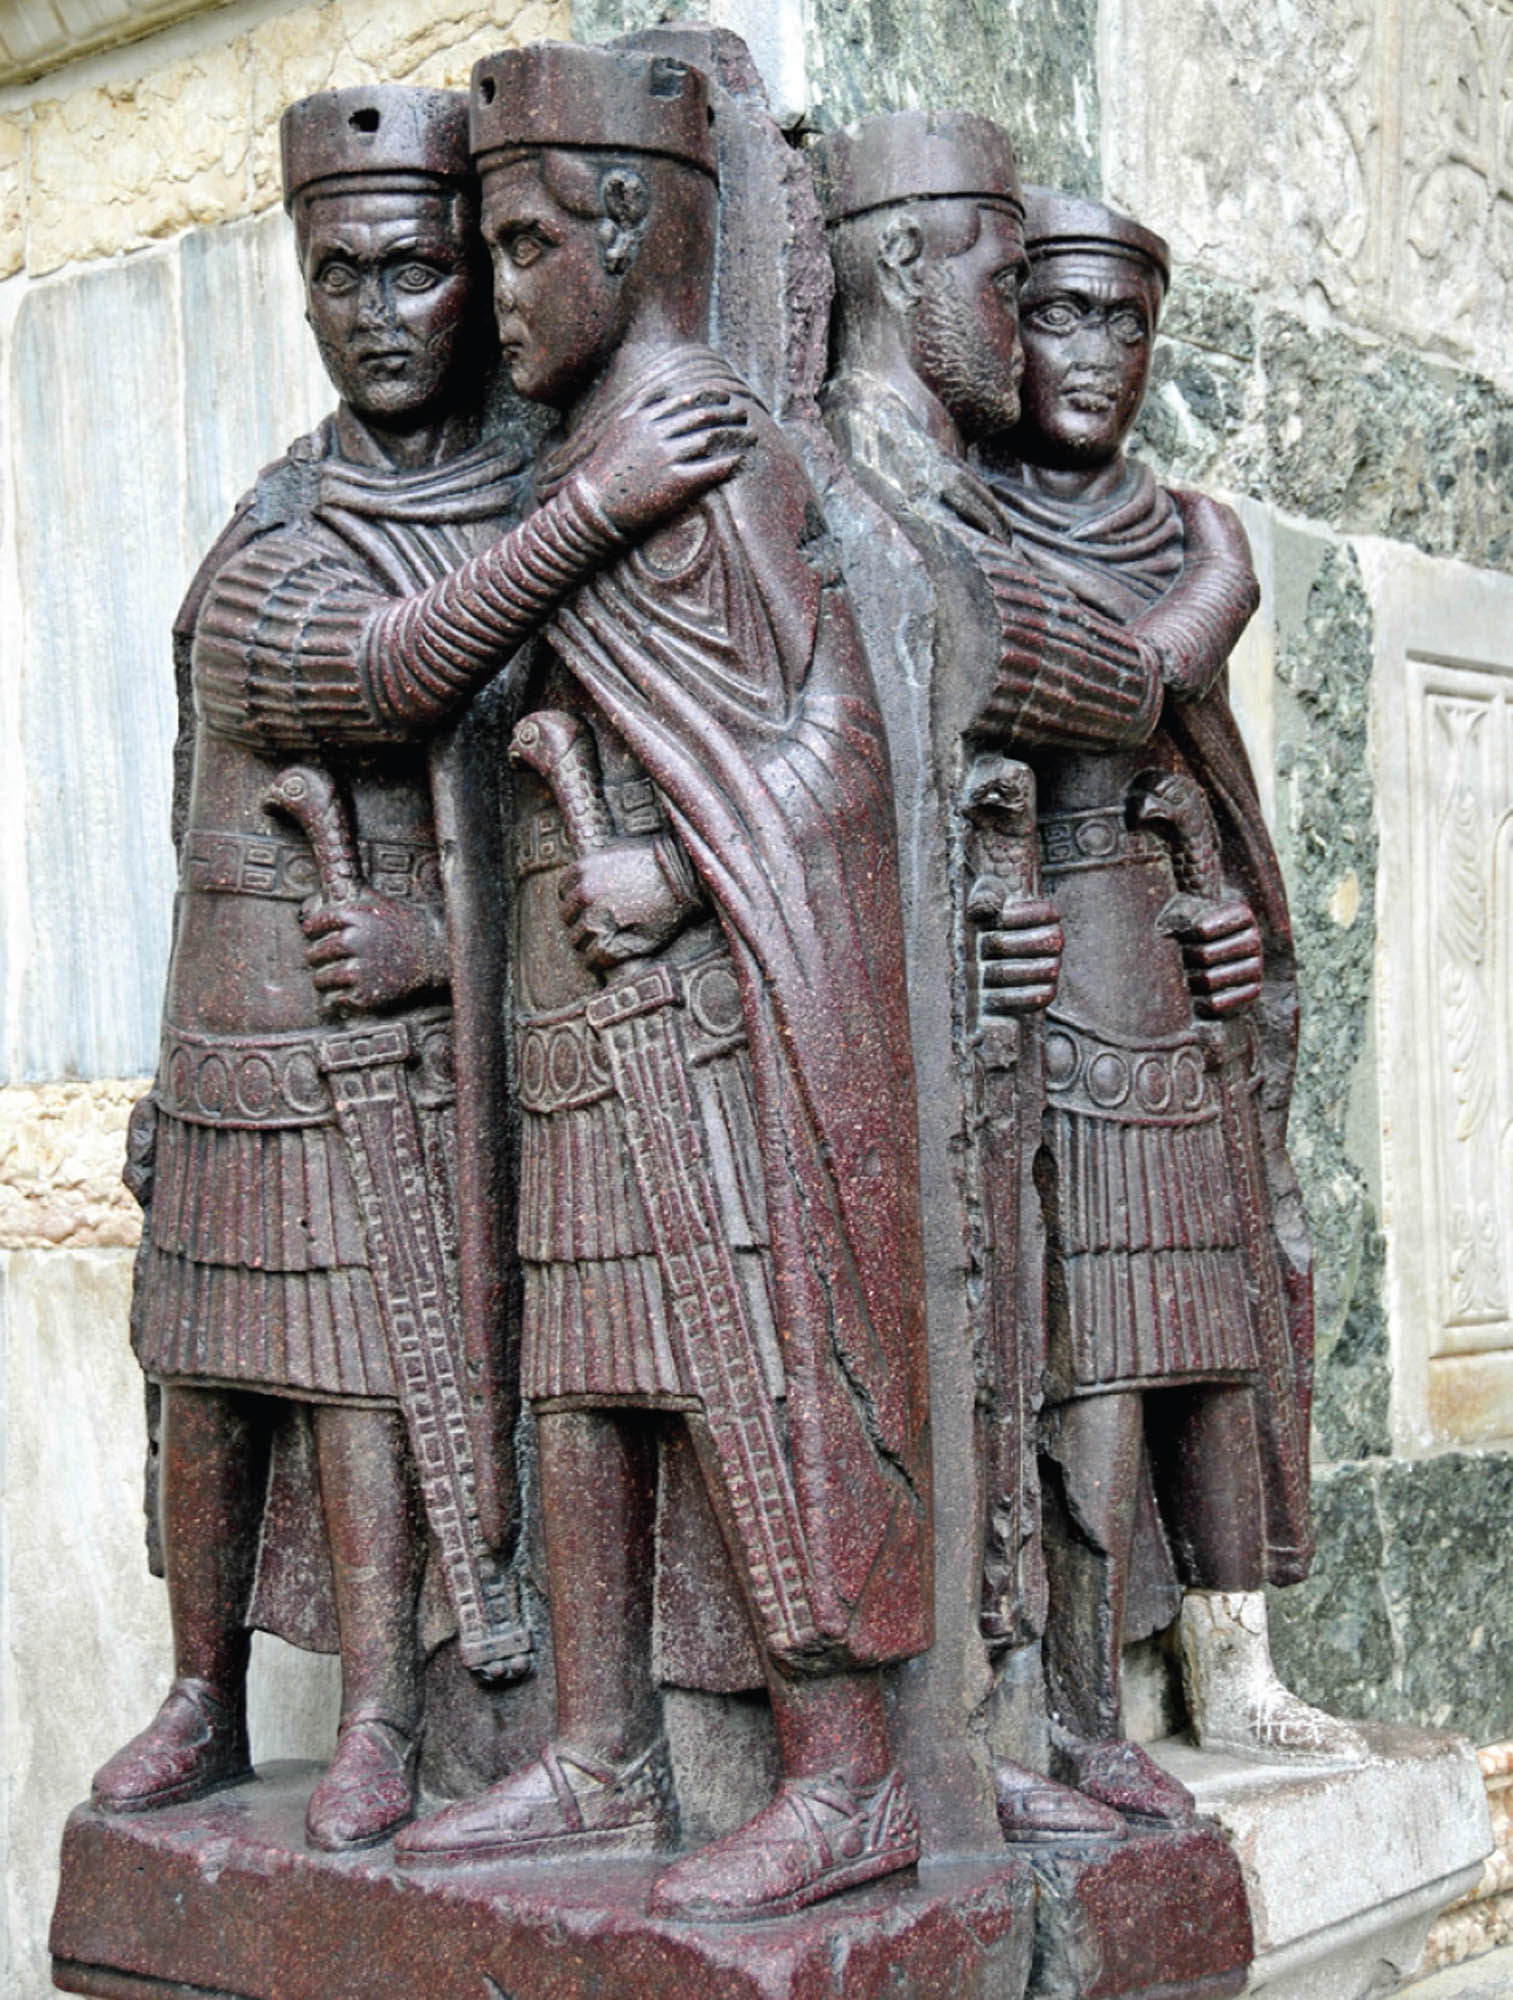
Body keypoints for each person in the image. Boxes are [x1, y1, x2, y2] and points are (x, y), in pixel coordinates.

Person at [93, 81, 743, 1854]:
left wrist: (440, 941)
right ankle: (201, 1689)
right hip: (239, 1002)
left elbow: (592, 785)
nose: (380, 316)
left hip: (427, 1047)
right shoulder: (284, 524)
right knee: (208, 1373)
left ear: (483, 277)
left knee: (363, 1375)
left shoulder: (536, 485)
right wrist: (595, 501)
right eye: (341, 276)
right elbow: (371, 678)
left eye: (421, 272)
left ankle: (385, 1710)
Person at [391, 42, 933, 1922]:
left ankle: (847, 1777)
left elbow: (833, 750)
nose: (498, 290)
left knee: (752, 1372)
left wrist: (682, 868)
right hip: (574, 1020)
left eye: (527, 243)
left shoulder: (712, 457)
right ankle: (596, 1749)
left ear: (632, 232)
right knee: (591, 1385)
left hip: (703, 1015)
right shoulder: (587, 469)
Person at [977, 189, 1360, 1766]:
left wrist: (1228, 914)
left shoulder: (1182, 525)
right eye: (1055, 312)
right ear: (997, 326)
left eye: (1121, 320)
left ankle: (1232, 1655)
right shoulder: (966, 521)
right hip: (1042, 979)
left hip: (1168, 984)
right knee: (1085, 1348)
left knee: (1217, 1325)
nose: (1091, 352)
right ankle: (1079, 1686)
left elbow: (1194, 767)